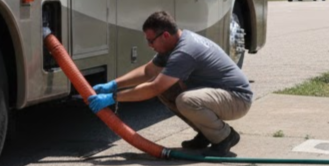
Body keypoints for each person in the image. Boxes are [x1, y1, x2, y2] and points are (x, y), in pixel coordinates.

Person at [88, 11, 253, 157]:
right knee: (169, 90)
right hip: (221, 95)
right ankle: (206, 133)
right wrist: (114, 84)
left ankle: (225, 137)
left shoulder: (185, 51)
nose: (149, 45)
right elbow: (148, 72)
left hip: (237, 99)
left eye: (151, 41)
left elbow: (154, 87)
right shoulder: (172, 46)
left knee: (186, 100)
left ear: (165, 35)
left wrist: (113, 97)